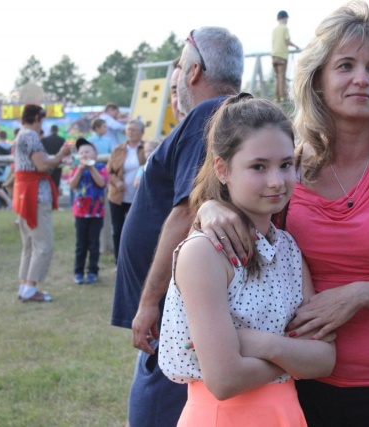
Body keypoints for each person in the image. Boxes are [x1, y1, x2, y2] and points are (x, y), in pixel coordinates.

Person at [196, 3, 369, 425]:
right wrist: (210, 208)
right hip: (292, 385)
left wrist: (360, 294)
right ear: (317, 79)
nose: (361, 79)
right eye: (345, 65)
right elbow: (234, 202)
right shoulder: (288, 168)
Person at [159, 94, 335, 426]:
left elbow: (324, 359)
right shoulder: (204, 252)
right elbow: (225, 380)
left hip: (285, 413)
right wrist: (293, 357)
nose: (276, 181)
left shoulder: (287, 248)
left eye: (285, 165)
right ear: (222, 169)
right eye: (258, 167)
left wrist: (260, 343)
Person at [111, 26, 244, 427]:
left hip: (176, 310)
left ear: (194, 71)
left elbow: (188, 210)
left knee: (153, 412)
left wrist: (150, 301)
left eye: (181, 70)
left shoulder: (210, 113)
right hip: (186, 306)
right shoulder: (237, 114)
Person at [12, 103, 74, 302]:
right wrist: (62, 155)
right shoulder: (31, 136)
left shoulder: (21, 135)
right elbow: (42, 165)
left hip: (25, 192)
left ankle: (25, 287)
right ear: (38, 118)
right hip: (36, 195)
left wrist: (56, 159)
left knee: (29, 245)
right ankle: (30, 289)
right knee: (43, 244)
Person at [68, 137, 108, 285]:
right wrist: (80, 169)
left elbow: (102, 183)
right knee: (81, 245)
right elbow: (72, 185)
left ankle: (93, 271)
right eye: (81, 152)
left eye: (87, 152)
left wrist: (91, 168)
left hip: (96, 213)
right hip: (80, 213)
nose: (84, 155)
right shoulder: (76, 168)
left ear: (95, 154)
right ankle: (78, 272)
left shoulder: (100, 168)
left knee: (94, 244)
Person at [106, 119, 146, 262]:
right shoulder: (118, 149)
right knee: (118, 229)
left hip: (138, 197)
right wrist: (117, 181)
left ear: (142, 132)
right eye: (128, 129)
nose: (130, 132)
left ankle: (134, 260)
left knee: (136, 229)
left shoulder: (146, 149)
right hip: (118, 196)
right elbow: (109, 171)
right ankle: (119, 261)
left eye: (134, 129)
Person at [272, 10, 300, 102]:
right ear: (284, 19)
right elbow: (287, 41)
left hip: (274, 55)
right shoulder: (285, 28)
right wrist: (296, 46)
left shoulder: (275, 29)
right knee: (281, 76)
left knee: (277, 77)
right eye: (287, 19)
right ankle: (282, 96)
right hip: (282, 55)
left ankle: (277, 97)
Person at [40, 124, 66, 192]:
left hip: (48, 164)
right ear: (57, 130)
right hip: (58, 164)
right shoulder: (62, 140)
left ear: (51, 130)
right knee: (56, 183)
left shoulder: (44, 140)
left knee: (48, 182)